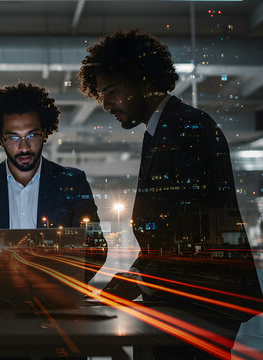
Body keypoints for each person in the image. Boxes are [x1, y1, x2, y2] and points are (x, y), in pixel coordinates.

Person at [79, 29, 262, 358]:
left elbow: (192, 229)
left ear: (142, 80)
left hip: (199, 304)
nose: (105, 104)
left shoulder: (184, 129)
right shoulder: (167, 128)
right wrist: (134, 274)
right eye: (101, 94)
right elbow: (171, 228)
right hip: (189, 300)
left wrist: (135, 277)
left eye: (111, 91)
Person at [0, 82, 105, 283]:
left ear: (45, 133)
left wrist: (65, 283)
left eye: (32, 135)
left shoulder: (74, 181)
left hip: (58, 300)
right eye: (13, 138)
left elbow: (96, 248)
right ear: (0, 139)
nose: (24, 147)